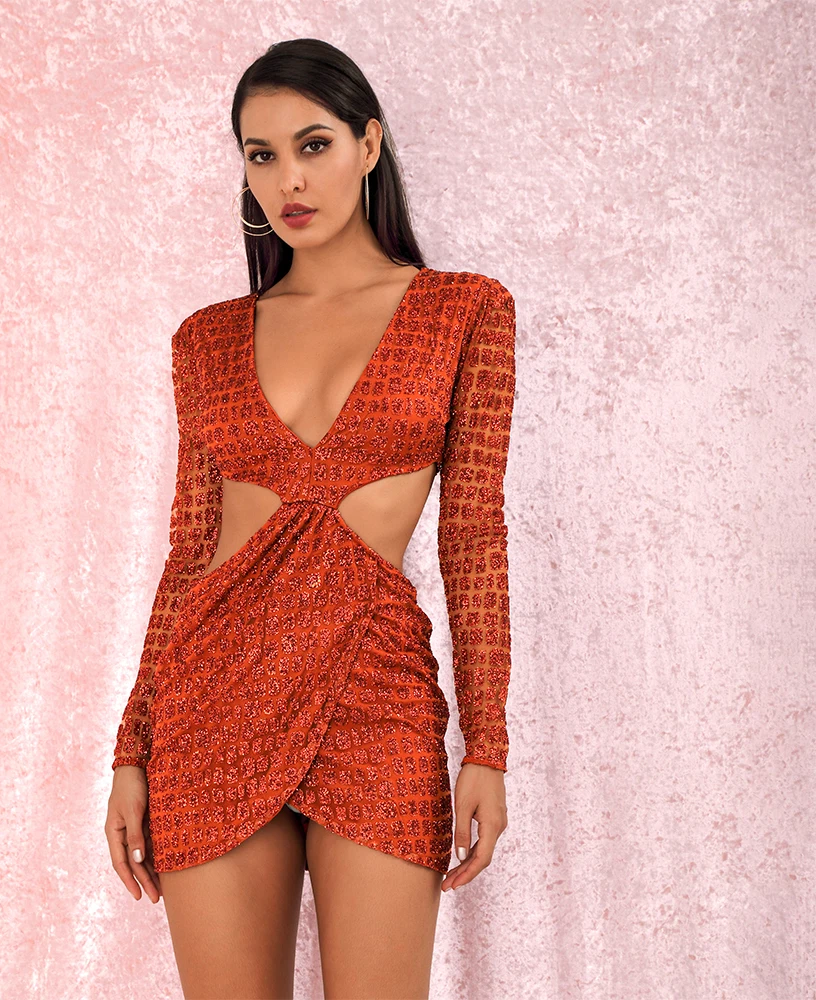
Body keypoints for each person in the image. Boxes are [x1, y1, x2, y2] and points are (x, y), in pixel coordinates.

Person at [105, 37, 515, 1000]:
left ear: (369, 145)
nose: (288, 178)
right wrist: (132, 748)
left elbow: (473, 539)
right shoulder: (206, 339)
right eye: (262, 154)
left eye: (314, 145)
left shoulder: (465, 311)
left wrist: (487, 747)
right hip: (211, 700)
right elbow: (189, 552)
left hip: (377, 696)